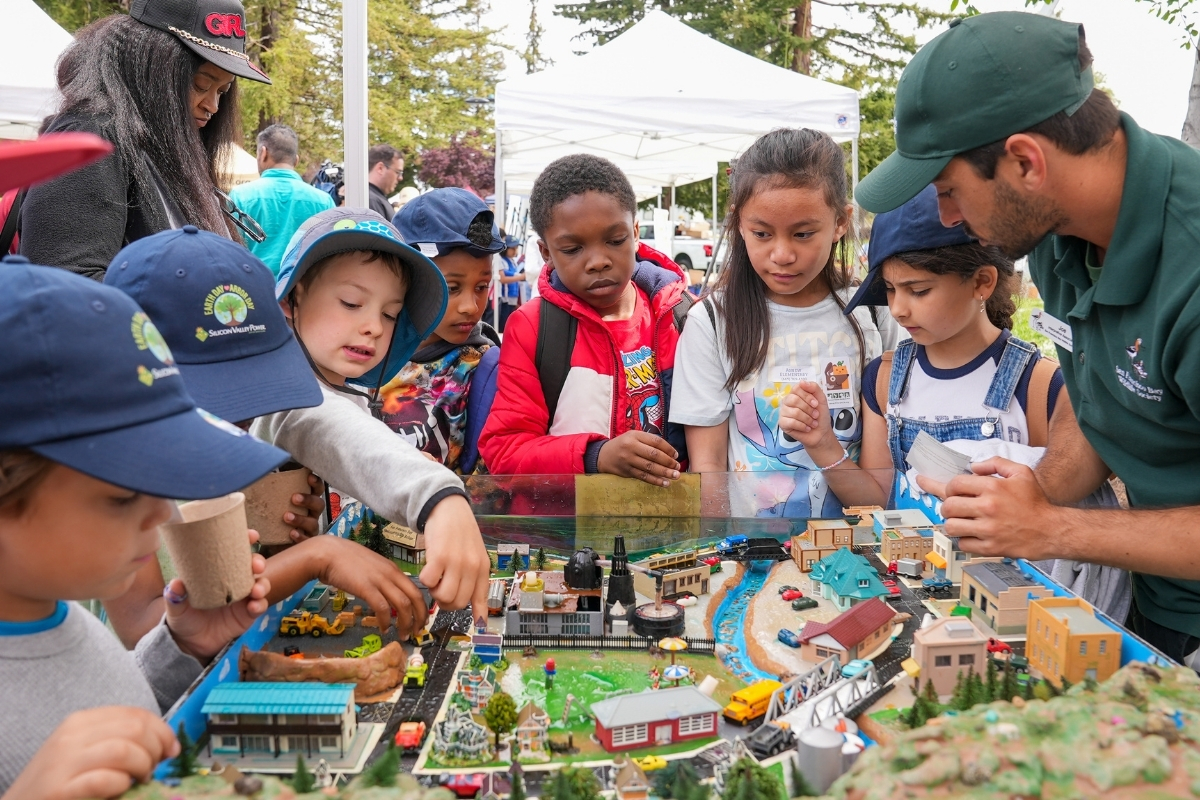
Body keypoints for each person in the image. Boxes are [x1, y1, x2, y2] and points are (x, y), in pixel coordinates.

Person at [855, 11, 1200, 662]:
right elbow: (1092, 405)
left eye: (950, 191)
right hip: (1148, 604)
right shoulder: (1053, 233)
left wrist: (1049, 526)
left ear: (1024, 162)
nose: (950, 217)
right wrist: (1025, 491)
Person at [0, 259, 282, 797]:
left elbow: (104, 718)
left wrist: (179, 647)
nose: (163, 512)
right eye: (122, 493)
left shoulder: (55, 615)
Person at [102, 226, 432, 647]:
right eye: (218, 397)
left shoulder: (221, 448)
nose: (242, 421)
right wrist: (312, 558)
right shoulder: (119, 476)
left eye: (255, 391)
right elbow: (144, 627)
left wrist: (284, 542)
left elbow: (235, 580)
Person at [258, 207, 492, 621]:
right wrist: (438, 496)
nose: (374, 326)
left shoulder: (345, 387)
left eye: (389, 313)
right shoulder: (283, 389)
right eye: (351, 302)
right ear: (291, 299)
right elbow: (329, 426)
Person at [778, 184, 1066, 508]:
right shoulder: (884, 380)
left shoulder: (1041, 386)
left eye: (918, 290)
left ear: (982, 282)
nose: (898, 308)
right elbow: (877, 501)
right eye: (889, 288)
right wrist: (822, 443)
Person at [668, 129, 898, 517]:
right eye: (761, 233)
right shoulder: (711, 322)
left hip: (856, 551)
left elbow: (881, 486)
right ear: (739, 224)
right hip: (751, 551)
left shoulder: (875, 312)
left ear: (841, 221)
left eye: (803, 234)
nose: (782, 254)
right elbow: (707, 470)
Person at [478, 154, 690, 487]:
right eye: (573, 248)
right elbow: (504, 452)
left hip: (667, 527)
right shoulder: (533, 328)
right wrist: (595, 457)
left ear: (635, 232)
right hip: (569, 531)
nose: (598, 261)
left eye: (615, 240)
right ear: (546, 252)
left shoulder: (679, 317)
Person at [20, 0, 271, 279]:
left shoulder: (157, 148)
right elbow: (67, 284)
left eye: (222, 91)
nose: (212, 105)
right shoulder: (92, 140)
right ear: (152, 67)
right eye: (201, 85)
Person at [380, 188, 504, 471]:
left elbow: (487, 487)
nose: (470, 307)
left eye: (482, 287)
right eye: (452, 288)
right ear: (405, 279)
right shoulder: (359, 353)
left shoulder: (481, 370)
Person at [229, 124, 335, 275]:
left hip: (254, 290)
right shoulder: (324, 201)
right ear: (296, 161)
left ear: (263, 153)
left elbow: (229, 251)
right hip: (303, 293)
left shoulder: (240, 196)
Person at [368, 143, 404, 222]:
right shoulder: (372, 201)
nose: (400, 178)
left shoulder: (373, 198)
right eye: (398, 172)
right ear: (380, 168)